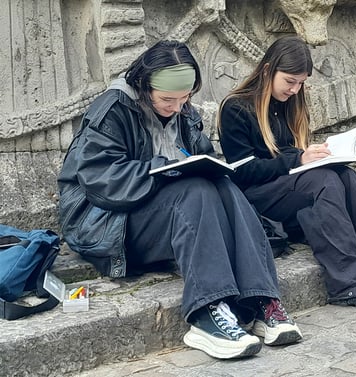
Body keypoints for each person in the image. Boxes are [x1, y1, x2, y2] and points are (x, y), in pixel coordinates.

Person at [57, 40, 302, 360]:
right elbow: (99, 179)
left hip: (164, 215)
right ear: (145, 87)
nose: (177, 107)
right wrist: (164, 170)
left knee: (224, 185)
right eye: (167, 100)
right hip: (106, 222)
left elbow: (203, 157)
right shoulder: (112, 110)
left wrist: (202, 166)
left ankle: (261, 300)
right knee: (194, 190)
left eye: (185, 98)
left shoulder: (184, 112)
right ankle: (206, 313)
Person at [218, 36, 356, 312]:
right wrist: (298, 158)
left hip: (291, 187)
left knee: (344, 175)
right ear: (267, 71)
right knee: (321, 181)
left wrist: (316, 155)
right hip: (258, 196)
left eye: (301, 83)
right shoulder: (236, 107)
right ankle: (350, 281)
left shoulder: (289, 103)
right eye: (290, 81)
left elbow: (291, 154)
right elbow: (243, 170)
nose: (295, 90)